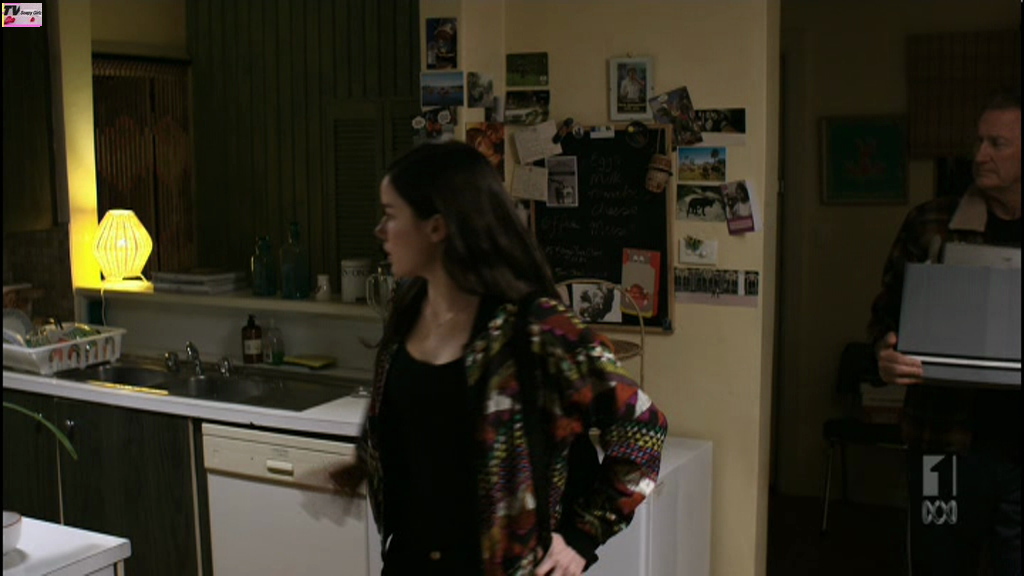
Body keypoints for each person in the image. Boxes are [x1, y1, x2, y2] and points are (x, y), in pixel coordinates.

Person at [330, 141, 668, 576]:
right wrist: (362, 467)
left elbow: (643, 427)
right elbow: (420, 427)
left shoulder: (535, 327)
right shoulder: (408, 313)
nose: (380, 231)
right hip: (407, 562)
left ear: (437, 227)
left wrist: (581, 537)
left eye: (391, 215)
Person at [869, 89, 1020, 576]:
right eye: (978, 141)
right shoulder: (931, 223)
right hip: (943, 446)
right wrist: (885, 352)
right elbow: (884, 316)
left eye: (998, 143)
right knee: (938, 563)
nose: (980, 155)